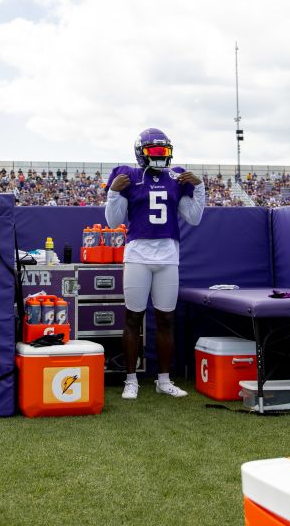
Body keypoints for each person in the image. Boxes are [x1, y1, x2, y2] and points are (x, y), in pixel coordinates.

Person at [104, 128, 205, 400]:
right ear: (141, 152)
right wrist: (113, 192)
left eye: (164, 151)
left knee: (166, 319)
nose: (161, 156)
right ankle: (130, 379)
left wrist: (200, 187)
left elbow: (193, 218)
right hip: (137, 255)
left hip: (168, 256)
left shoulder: (176, 177)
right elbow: (113, 222)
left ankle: (163, 379)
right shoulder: (129, 176)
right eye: (155, 151)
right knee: (133, 317)